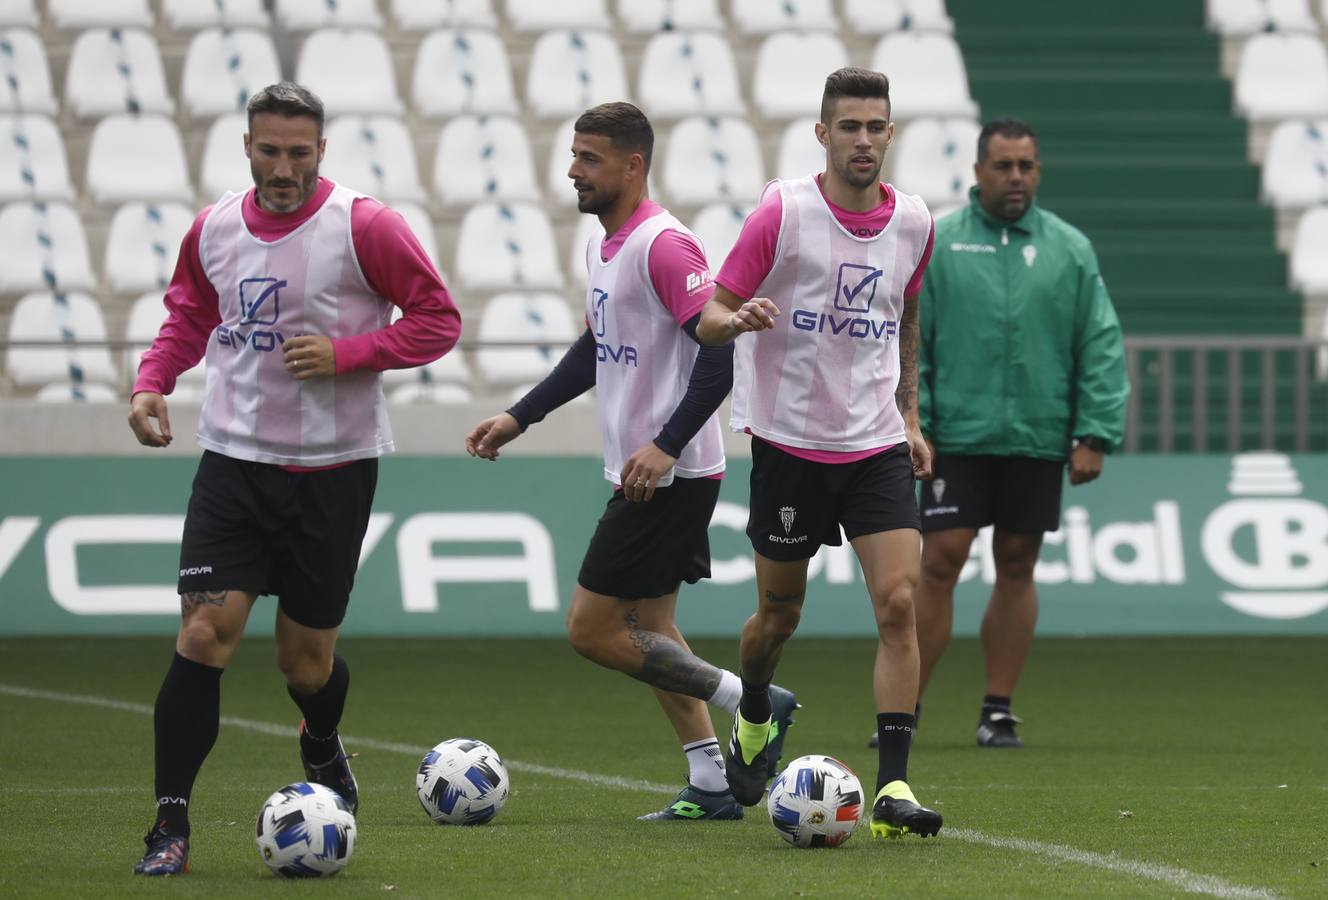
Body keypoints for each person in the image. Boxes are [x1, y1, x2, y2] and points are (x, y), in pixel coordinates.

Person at [126, 82, 462, 875]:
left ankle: (320, 740)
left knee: (304, 664)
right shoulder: (212, 228)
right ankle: (169, 829)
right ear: (247, 146)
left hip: (332, 474)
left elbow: (437, 320)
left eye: (299, 153)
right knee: (204, 634)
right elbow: (188, 313)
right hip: (233, 467)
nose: (284, 168)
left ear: (321, 149)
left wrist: (349, 353)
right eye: (269, 151)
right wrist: (152, 379)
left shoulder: (366, 226)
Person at [465, 102, 797, 822]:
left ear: (632, 165)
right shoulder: (604, 247)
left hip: (669, 474)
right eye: (575, 155)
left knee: (593, 629)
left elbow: (717, 359)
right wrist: (520, 416)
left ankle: (756, 703)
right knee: (650, 631)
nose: (573, 170)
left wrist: (667, 444)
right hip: (643, 469)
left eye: (589, 158)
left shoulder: (664, 246)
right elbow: (595, 347)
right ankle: (712, 782)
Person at [696, 67, 942, 840]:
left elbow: (903, 314)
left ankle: (895, 787)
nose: (862, 140)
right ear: (823, 134)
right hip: (790, 444)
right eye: (849, 127)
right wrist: (735, 324)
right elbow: (710, 313)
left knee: (900, 603)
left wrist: (908, 413)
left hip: (874, 444)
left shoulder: (916, 222)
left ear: (890, 134)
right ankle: (757, 713)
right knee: (778, 614)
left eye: (875, 127)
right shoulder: (786, 211)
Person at [892, 118, 1128, 749]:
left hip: (1037, 434)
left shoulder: (1069, 248)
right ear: (977, 172)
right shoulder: (938, 240)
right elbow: (912, 341)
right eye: (1003, 165)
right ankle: (903, 708)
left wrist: (1095, 432)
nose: (1016, 177)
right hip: (954, 438)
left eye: (1026, 166)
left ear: (1038, 171)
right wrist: (918, 422)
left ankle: (997, 709)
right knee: (939, 561)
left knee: (1018, 565)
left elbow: (1099, 343)